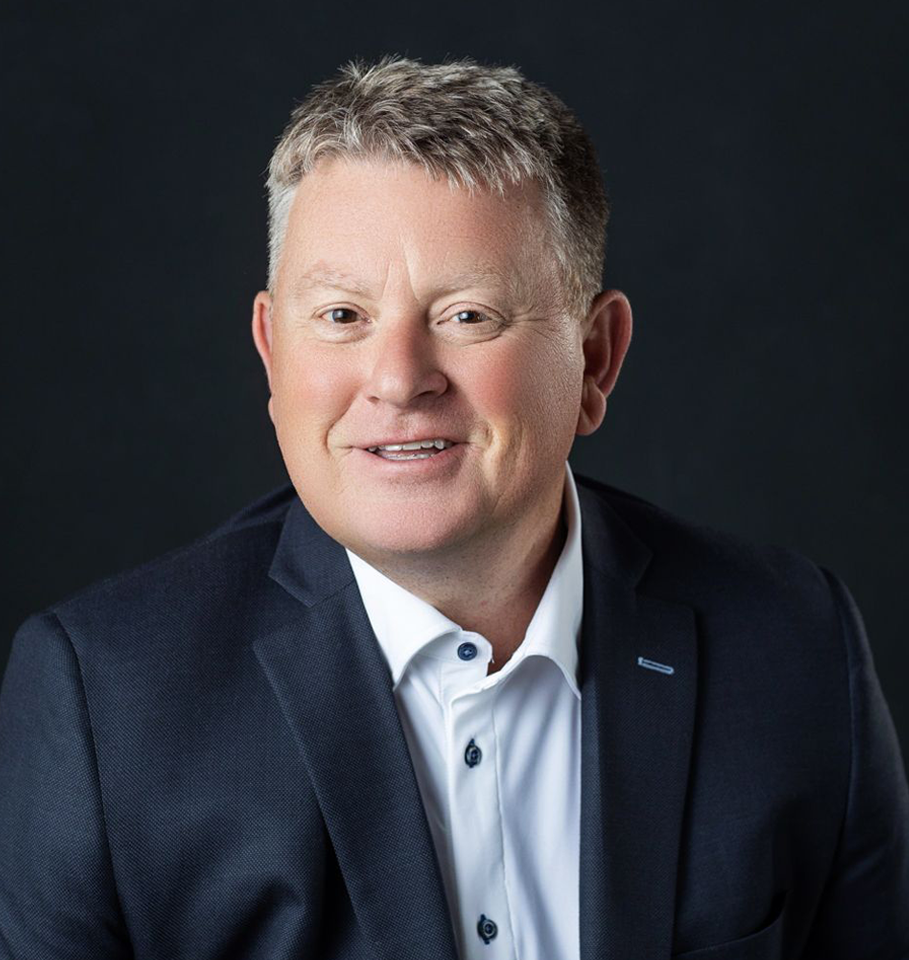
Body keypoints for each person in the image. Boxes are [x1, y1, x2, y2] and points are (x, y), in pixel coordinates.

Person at [0, 55, 906, 960]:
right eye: (343, 316)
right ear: (272, 353)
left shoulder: (794, 649)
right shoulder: (103, 703)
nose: (398, 379)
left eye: (468, 316)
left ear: (595, 359)